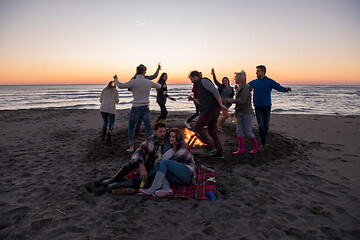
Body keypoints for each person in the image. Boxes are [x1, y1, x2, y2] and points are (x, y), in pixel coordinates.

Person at [102, 122, 171, 192]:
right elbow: (138, 152)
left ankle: (116, 185)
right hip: (146, 163)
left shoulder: (168, 139)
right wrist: (142, 166)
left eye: (164, 131)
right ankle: (113, 179)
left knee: (144, 178)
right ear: (155, 132)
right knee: (132, 163)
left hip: (156, 167)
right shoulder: (151, 141)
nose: (163, 134)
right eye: (160, 131)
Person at [114, 65, 161, 152]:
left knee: (131, 127)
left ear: (136, 72)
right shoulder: (148, 82)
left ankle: (131, 147)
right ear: (144, 72)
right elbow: (159, 86)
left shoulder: (133, 82)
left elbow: (120, 85)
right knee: (148, 128)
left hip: (136, 107)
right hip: (145, 107)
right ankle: (154, 145)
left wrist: (116, 79)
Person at [140, 128, 197, 196]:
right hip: (179, 179)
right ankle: (166, 188)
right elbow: (162, 163)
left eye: (173, 137)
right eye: (170, 136)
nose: (171, 138)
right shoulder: (171, 149)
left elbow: (172, 162)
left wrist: (162, 162)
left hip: (188, 175)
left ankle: (153, 188)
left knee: (163, 163)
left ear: (178, 137)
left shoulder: (183, 146)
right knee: (157, 164)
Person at [248, 65, 292, 149]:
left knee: (266, 125)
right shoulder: (254, 82)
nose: (256, 73)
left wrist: (285, 89)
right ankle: (263, 143)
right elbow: (246, 87)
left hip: (267, 106)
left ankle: (264, 139)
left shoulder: (269, 81)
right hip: (257, 106)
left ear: (263, 72)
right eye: (256, 71)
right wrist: (238, 87)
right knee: (261, 125)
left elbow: (278, 86)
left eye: (258, 71)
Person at [188, 70, 227, 159]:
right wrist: (193, 99)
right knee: (211, 131)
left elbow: (215, 92)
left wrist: (221, 104)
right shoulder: (200, 86)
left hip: (211, 109)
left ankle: (211, 146)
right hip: (211, 109)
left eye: (191, 79)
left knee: (198, 127)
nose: (191, 81)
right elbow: (201, 102)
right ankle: (219, 152)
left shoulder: (204, 81)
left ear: (195, 76)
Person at [227, 70, 259, 154]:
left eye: (236, 78)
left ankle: (256, 147)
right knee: (239, 131)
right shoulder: (239, 88)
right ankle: (241, 149)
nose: (235, 79)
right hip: (240, 112)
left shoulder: (245, 88)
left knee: (248, 132)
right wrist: (235, 111)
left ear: (241, 79)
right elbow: (239, 102)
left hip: (247, 112)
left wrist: (231, 100)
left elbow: (242, 101)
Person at [132, 64, 161, 136]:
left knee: (140, 117)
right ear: (143, 71)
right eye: (145, 71)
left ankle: (136, 130)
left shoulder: (134, 78)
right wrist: (158, 68)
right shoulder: (143, 79)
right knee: (143, 117)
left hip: (137, 100)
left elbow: (129, 87)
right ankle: (138, 131)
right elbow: (154, 76)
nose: (145, 73)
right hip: (141, 101)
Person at [211, 68, 234, 132]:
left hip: (228, 104)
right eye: (223, 80)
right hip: (221, 103)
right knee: (226, 116)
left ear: (228, 80)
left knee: (224, 116)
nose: (225, 81)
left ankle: (219, 126)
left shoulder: (231, 88)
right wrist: (213, 74)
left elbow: (231, 97)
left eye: (226, 80)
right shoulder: (221, 87)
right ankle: (218, 125)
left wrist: (230, 103)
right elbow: (215, 81)